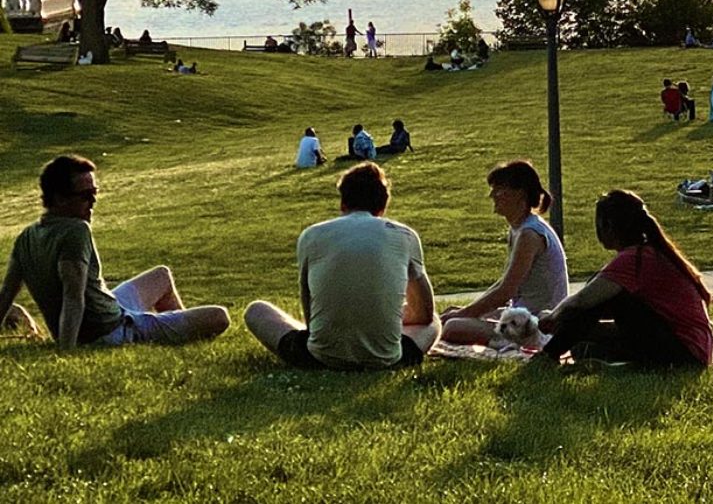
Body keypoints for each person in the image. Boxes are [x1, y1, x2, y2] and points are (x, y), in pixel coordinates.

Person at [0, 155, 230, 348]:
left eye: (95, 193)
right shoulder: (76, 230)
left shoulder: (27, 237)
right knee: (219, 316)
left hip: (111, 310)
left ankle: (171, 331)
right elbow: (73, 297)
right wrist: (67, 351)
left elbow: (7, 294)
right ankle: (162, 333)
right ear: (59, 198)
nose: (93, 201)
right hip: (113, 330)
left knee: (161, 275)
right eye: (85, 196)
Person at [244, 163, 440, 370]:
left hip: (320, 357)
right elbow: (425, 313)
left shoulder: (311, 235)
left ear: (342, 203)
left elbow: (309, 311)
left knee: (256, 310)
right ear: (383, 207)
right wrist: (392, 315)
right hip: (387, 359)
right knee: (434, 321)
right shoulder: (405, 235)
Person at [537, 190, 713, 366]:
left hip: (685, 354)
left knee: (605, 296)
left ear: (608, 225)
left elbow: (583, 300)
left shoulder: (635, 258)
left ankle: (548, 355)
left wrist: (553, 317)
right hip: (689, 349)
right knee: (583, 345)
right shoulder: (647, 253)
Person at [440, 161, 569, 346]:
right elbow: (504, 284)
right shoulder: (518, 229)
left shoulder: (530, 235)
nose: (492, 195)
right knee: (453, 314)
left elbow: (506, 291)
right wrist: (467, 311)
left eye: (499, 189)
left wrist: (463, 314)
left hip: (536, 324)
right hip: (520, 315)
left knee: (453, 327)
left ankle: (506, 343)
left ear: (520, 194)